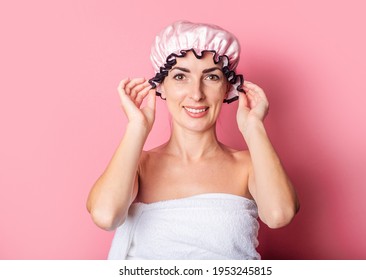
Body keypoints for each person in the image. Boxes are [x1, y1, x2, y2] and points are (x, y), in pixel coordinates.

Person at [86, 21, 299, 260]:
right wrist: (137, 127)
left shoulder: (248, 166)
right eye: (180, 76)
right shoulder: (139, 165)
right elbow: (105, 216)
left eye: (211, 77)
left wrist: (254, 127)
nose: (196, 93)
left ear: (227, 88)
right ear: (161, 87)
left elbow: (280, 214)